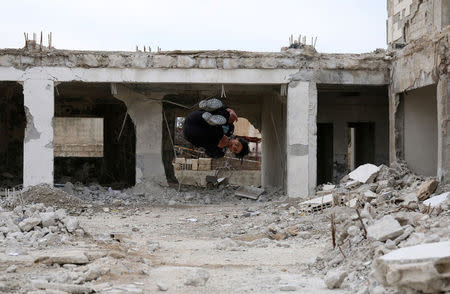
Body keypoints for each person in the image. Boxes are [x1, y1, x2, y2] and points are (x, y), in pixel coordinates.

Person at [183, 98, 250, 159]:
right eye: (237, 145)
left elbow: (208, 153)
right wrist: (230, 110)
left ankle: (213, 120)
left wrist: (218, 146)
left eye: (235, 150)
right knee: (228, 117)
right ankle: (209, 107)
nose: (234, 146)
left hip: (191, 133)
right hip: (197, 118)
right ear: (237, 139)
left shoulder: (220, 152)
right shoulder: (230, 129)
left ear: (232, 152)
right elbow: (227, 114)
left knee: (217, 138)